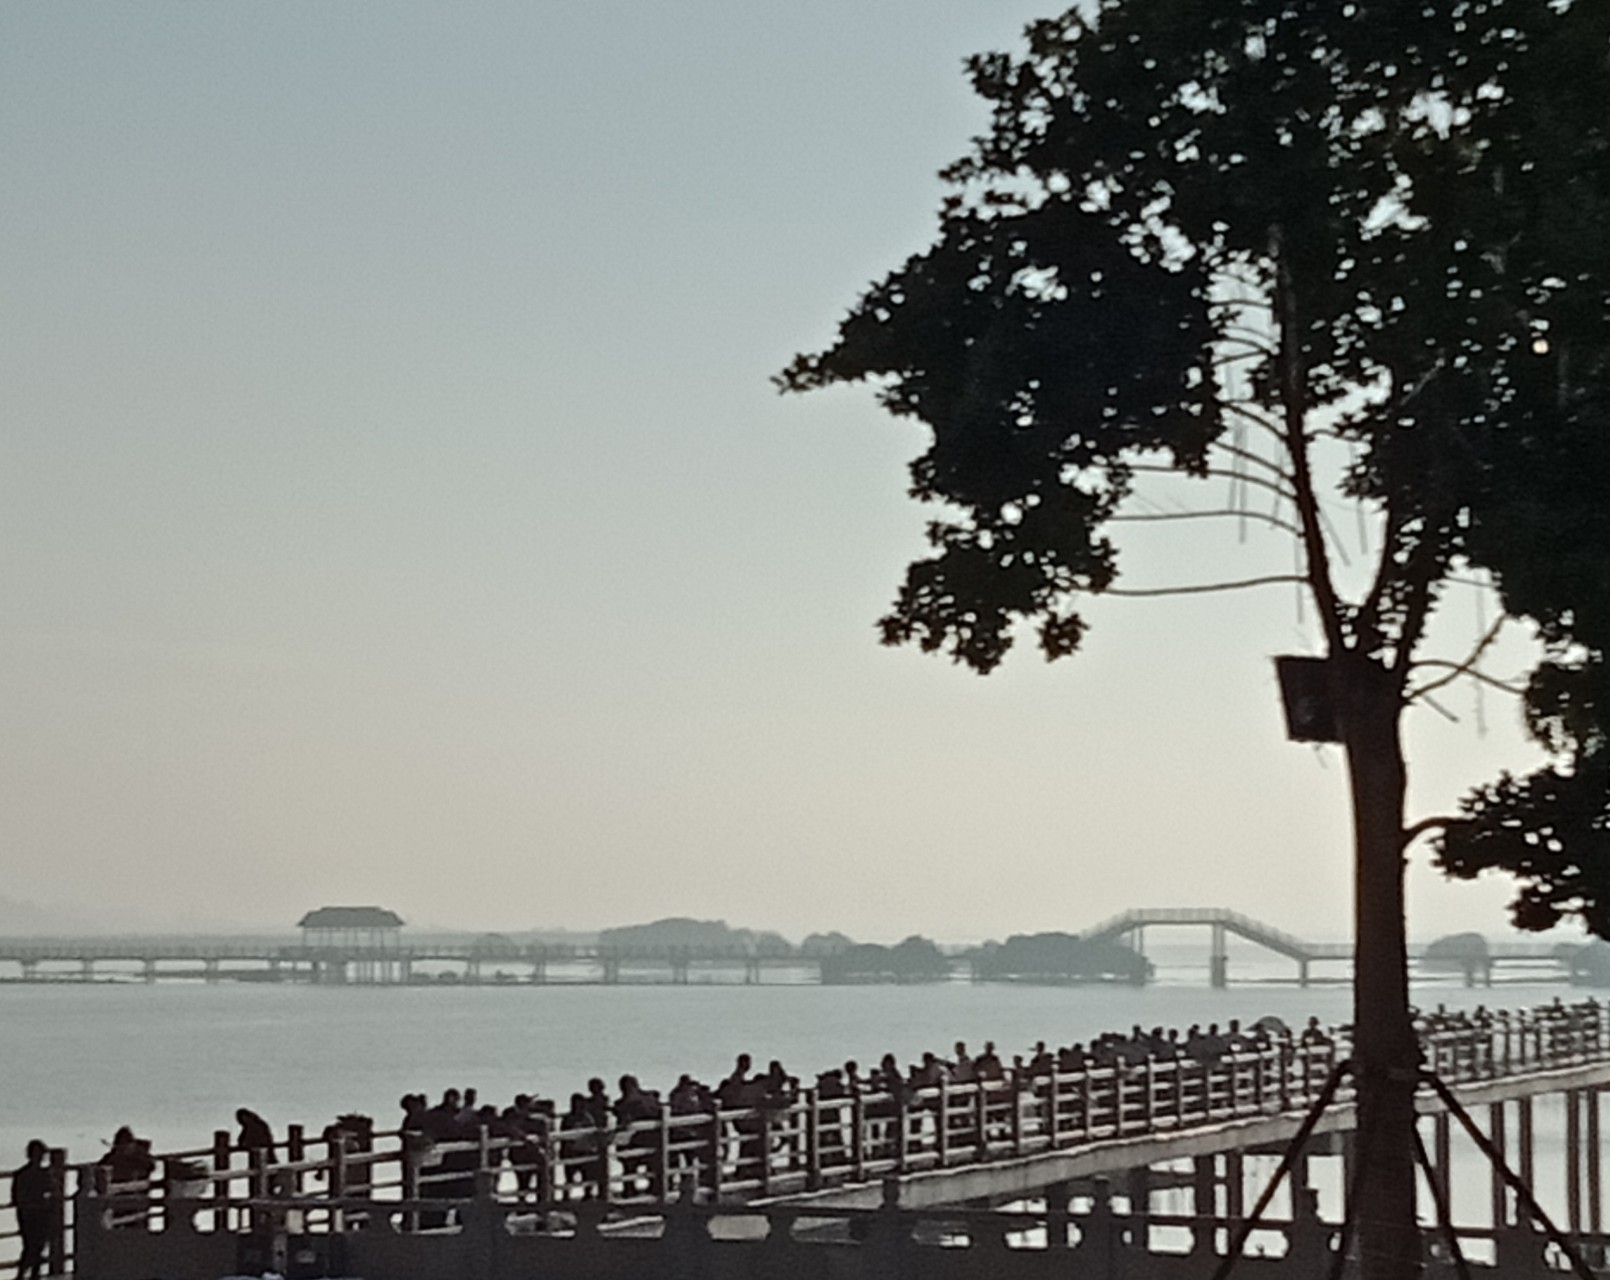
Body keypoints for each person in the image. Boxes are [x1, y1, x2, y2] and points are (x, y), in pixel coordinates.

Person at [11, 1140, 54, 1280]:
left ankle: (31, 1274)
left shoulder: (27, 1174)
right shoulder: (27, 1175)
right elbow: (18, 1198)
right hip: (31, 1214)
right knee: (33, 1247)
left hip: (36, 1213)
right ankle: (25, 1275)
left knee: (36, 1247)